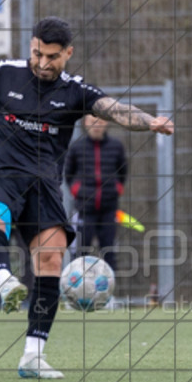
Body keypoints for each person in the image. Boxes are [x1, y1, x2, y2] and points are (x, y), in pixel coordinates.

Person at [0, 17, 174, 378]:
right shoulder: (3, 73)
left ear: (68, 54)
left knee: (50, 259)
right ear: (31, 46)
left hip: (43, 185)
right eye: (38, 54)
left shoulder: (75, 90)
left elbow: (114, 109)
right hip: (0, 173)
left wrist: (150, 121)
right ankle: (3, 278)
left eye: (53, 57)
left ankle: (33, 354)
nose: (43, 63)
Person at [65, 114, 128, 273]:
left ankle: (109, 295)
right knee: (80, 252)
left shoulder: (116, 146)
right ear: (86, 123)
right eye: (93, 122)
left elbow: (123, 171)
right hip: (84, 210)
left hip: (109, 209)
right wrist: (77, 190)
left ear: (106, 123)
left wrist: (117, 188)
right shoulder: (77, 147)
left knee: (109, 252)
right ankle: (76, 291)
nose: (97, 125)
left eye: (100, 122)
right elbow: (68, 173)